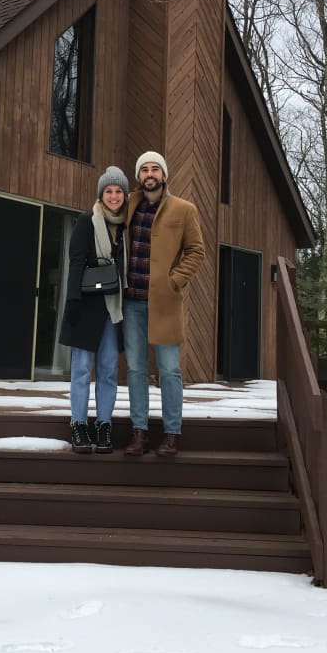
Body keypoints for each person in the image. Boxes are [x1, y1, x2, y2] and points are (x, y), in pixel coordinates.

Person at [123, 151, 205, 457]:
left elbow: (196, 250)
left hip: (166, 303)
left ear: (164, 175)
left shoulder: (184, 209)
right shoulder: (129, 205)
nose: (149, 173)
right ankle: (139, 433)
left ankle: (172, 434)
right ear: (138, 176)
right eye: (144, 169)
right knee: (134, 370)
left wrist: (175, 280)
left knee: (169, 370)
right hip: (132, 303)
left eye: (155, 168)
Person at [59, 166, 129, 454]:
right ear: (101, 194)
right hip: (86, 304)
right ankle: (78, 424)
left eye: (118, 191)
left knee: (109, 369)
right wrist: (72, 299)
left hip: (114, 309)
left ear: (125, 195)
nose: (113, 196)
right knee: (82, 369)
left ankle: (103, 425)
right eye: (108, 191)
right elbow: (75, 262)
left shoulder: (127, 226)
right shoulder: (87, 221)